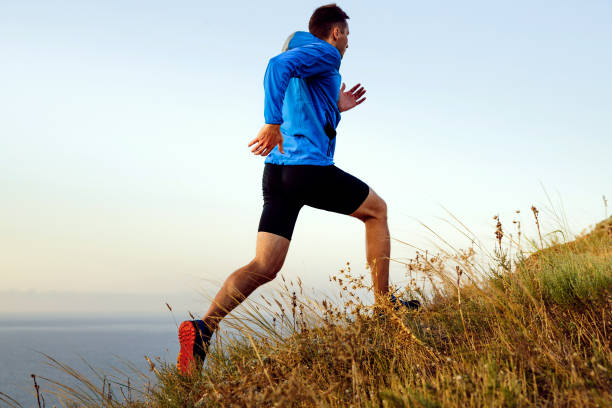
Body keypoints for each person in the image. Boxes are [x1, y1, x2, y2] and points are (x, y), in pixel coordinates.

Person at [177, 3, 417, 375]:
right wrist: (271, 123)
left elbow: (300, 95)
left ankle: (204, 327)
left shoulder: (303, 56)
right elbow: (275, 66)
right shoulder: (324, 53)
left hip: (278, 174)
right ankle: (385, 307)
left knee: (265, 265)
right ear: (336, 32)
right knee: (377, 211)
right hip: (306, 169)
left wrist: (336, 106)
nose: (348, 43)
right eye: (348, 35)